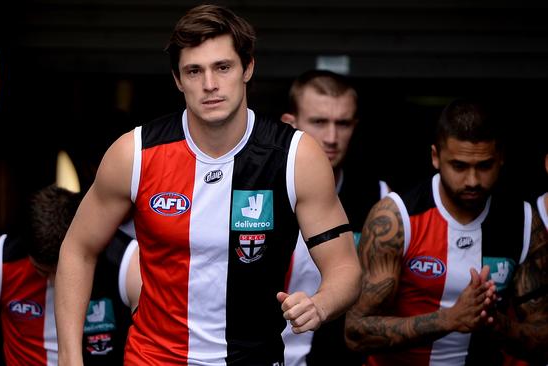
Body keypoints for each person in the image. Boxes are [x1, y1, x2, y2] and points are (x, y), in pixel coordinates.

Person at [54, 4, 361, 365]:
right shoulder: (134, 154)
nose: (210, 85)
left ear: (248, 68)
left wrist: (320, 304)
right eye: (194, 71)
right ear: (177, 79)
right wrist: (69, 356)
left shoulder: (295, 156)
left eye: (223, 67)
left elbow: (345, 268)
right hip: (153, 358)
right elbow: (78, 249)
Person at [344, 99, 548, 365]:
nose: (473, 180)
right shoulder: (396, 218)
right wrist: (449, 319)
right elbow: (356, 332)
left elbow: (542, 338)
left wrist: (493, 322)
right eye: (460, 166)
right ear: (435, 157)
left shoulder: (522, 221)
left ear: (501, 159)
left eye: (484, 166)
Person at [0, 185, 140, 366]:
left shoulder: (126, 264)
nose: (54, 281)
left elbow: (156, 340)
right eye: (41, 270)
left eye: (61, 270)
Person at [280, 69, 388, 366]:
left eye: (342, 124)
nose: (331, 138)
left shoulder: (378, 198)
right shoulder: (254, 191)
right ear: (290, 124)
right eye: (319, 122)